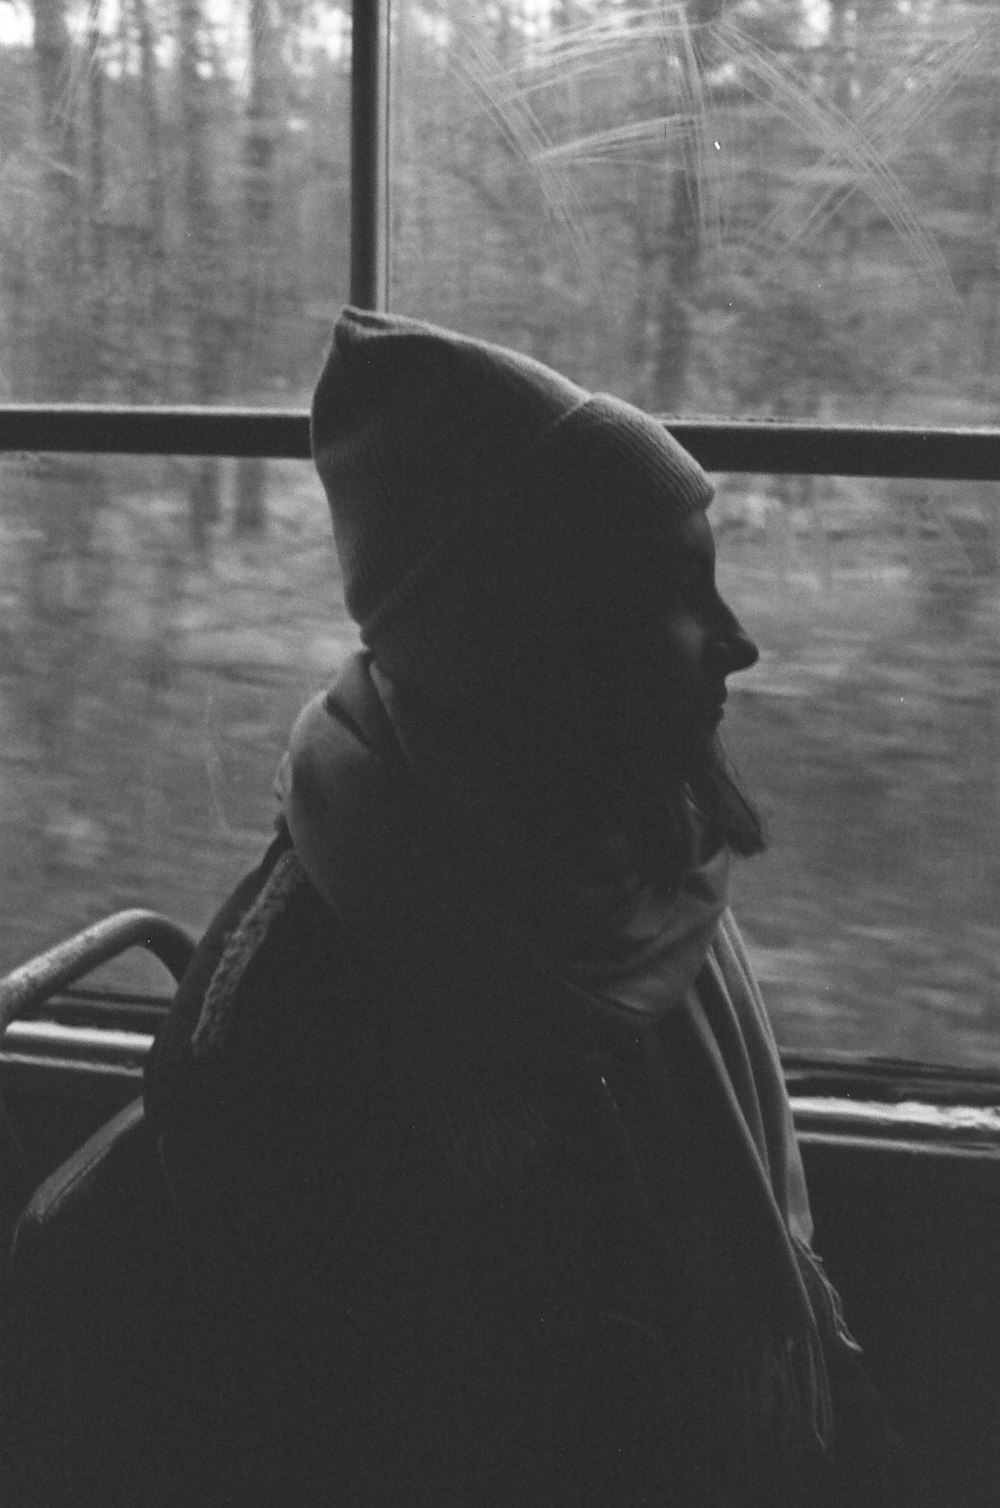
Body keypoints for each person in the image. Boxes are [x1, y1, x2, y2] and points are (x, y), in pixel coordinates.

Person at [143, 307, 911, 1506]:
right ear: (535, 643)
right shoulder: (288, 1039)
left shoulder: (633, 880)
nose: (740, 644)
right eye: (683, 592)